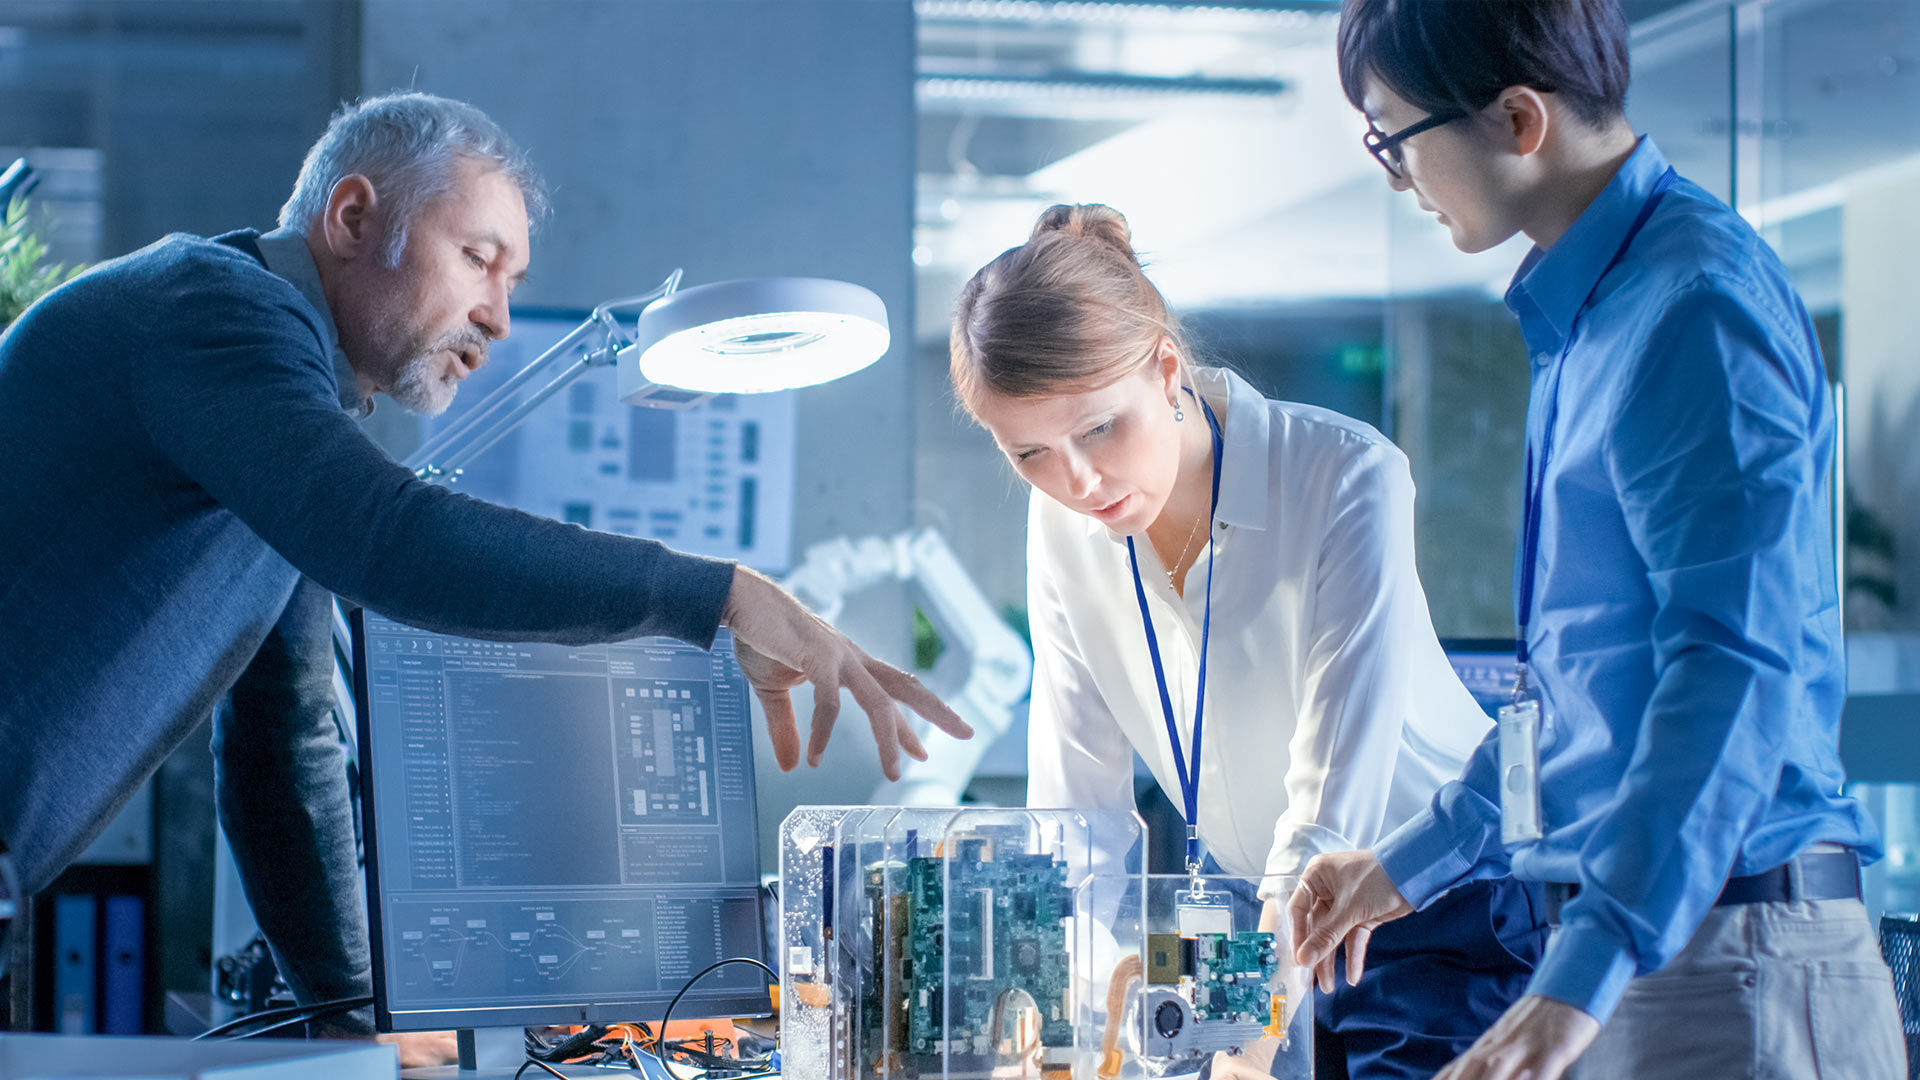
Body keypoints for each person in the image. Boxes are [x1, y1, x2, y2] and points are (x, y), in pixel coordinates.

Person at [0, 92, 967, 1036]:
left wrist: (357, 1022)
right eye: (478, 259)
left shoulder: (279, 421)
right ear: (351, 218)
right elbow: (388, 537)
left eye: (511, 281)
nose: (500, 318)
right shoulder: (211, 312)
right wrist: (720, 595)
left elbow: (283, 750)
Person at [1289, 3, 1907, 1079]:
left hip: (1731, 951)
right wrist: (1407, 866)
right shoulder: (1595, 313)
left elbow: (1732, 666)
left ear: (1520, 120)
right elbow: (1570, 704)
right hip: (1657, 943)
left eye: (1396, 138)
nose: (1396, 178)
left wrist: (1588, 965)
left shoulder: (1692, 308)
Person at [950, 203, 1547, 1080]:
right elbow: (1075, 810)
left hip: (1438, 909)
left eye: (1098, 429)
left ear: (1164, 371)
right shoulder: (1062, 526)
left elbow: (1326, 814)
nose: (1076, 482)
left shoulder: (1344, 475)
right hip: (1250, 924)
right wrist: (1050, 1014)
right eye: (1029, 453)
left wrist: (1248, 1039)